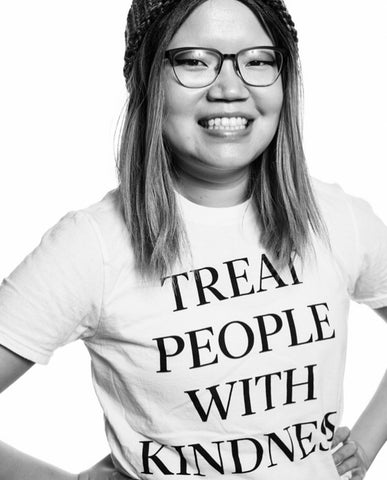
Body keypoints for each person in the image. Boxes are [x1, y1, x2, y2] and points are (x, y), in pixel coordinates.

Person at [0, 0, 386, 479]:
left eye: (259, 61)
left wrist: (367, 443)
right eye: (194, 61)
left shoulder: (337, 218)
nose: (230, 88)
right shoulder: (93, 246)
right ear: (146, 79)